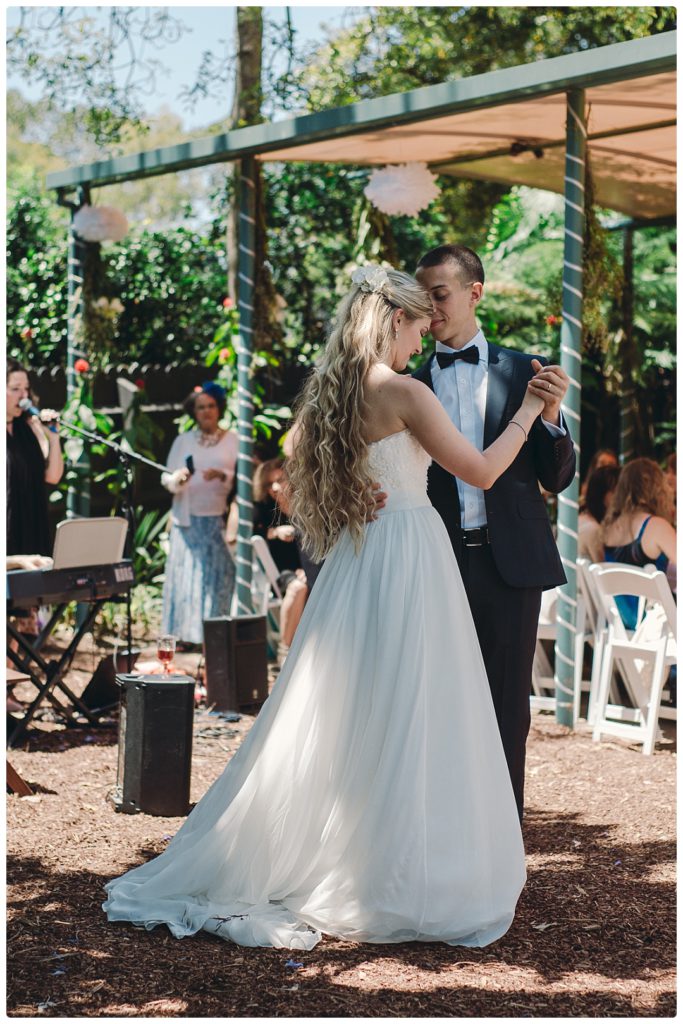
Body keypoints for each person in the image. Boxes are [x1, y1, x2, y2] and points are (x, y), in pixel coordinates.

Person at [104, 264, 545, 951]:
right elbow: (483, 472)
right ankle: (391, 866)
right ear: (394, 320)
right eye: (418, 325)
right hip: (409, 557)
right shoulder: (403, 391)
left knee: (348, 708)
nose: (423, 338)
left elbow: (299, 480)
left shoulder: (332, 394)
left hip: (358, 559)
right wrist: (526, 413)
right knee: (409, 703)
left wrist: (352, 501)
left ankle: (351, 850)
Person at [413, 244, 576, 820]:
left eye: (440, 294)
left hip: (511, 564)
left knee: (509, 706)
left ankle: (501, 835)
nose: (430, 307)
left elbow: (556, 480)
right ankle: (446, 825)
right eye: (423, 296)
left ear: (474, 292)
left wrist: (552, 420)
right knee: (441, 701)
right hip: (436, 561)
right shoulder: (407, 382)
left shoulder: (525, 369)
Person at [160, 382, 238, 645]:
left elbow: (242, 479)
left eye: (211, 406)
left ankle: (213, 634)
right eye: (201, 407)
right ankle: (184, 635)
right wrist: (178, 479)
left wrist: (223, 475)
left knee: (216, 577)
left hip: (218, 517)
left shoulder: (233, 440)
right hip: (188, 519)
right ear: (194, 412)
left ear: (219, 408)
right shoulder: (183, 441)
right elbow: (166, 478)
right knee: (187, 577)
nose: (206, 411)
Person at [6, 358, 64, 699]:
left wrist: (52, 437)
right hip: (7, 536)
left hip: (29, 530)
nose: (22, 395)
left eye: (25, 389)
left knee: (18, 617)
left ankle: (9, 692)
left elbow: (53, 475)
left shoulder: (28, 430)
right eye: (14, 389)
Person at [601, 457, 677, 630]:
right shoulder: (656, 526)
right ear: (657, 488)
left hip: (620, 623)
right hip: (653, 624)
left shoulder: (609, 527)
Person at [253, 457, 309, 662]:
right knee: (297, 588)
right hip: (282, 573)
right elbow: (250, 530)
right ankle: (285, 652)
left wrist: (308, 568)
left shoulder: (306, 506)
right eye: (270, 484)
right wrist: (275, 532)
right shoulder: (266, 511)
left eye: (281, 480)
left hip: (308, 568)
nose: (275, 487)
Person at [578, 464, 620, 563]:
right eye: (616, 491)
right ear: (603, 494)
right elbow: (603, 572)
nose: (621, 497)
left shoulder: (581, 519)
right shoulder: (593, 529)